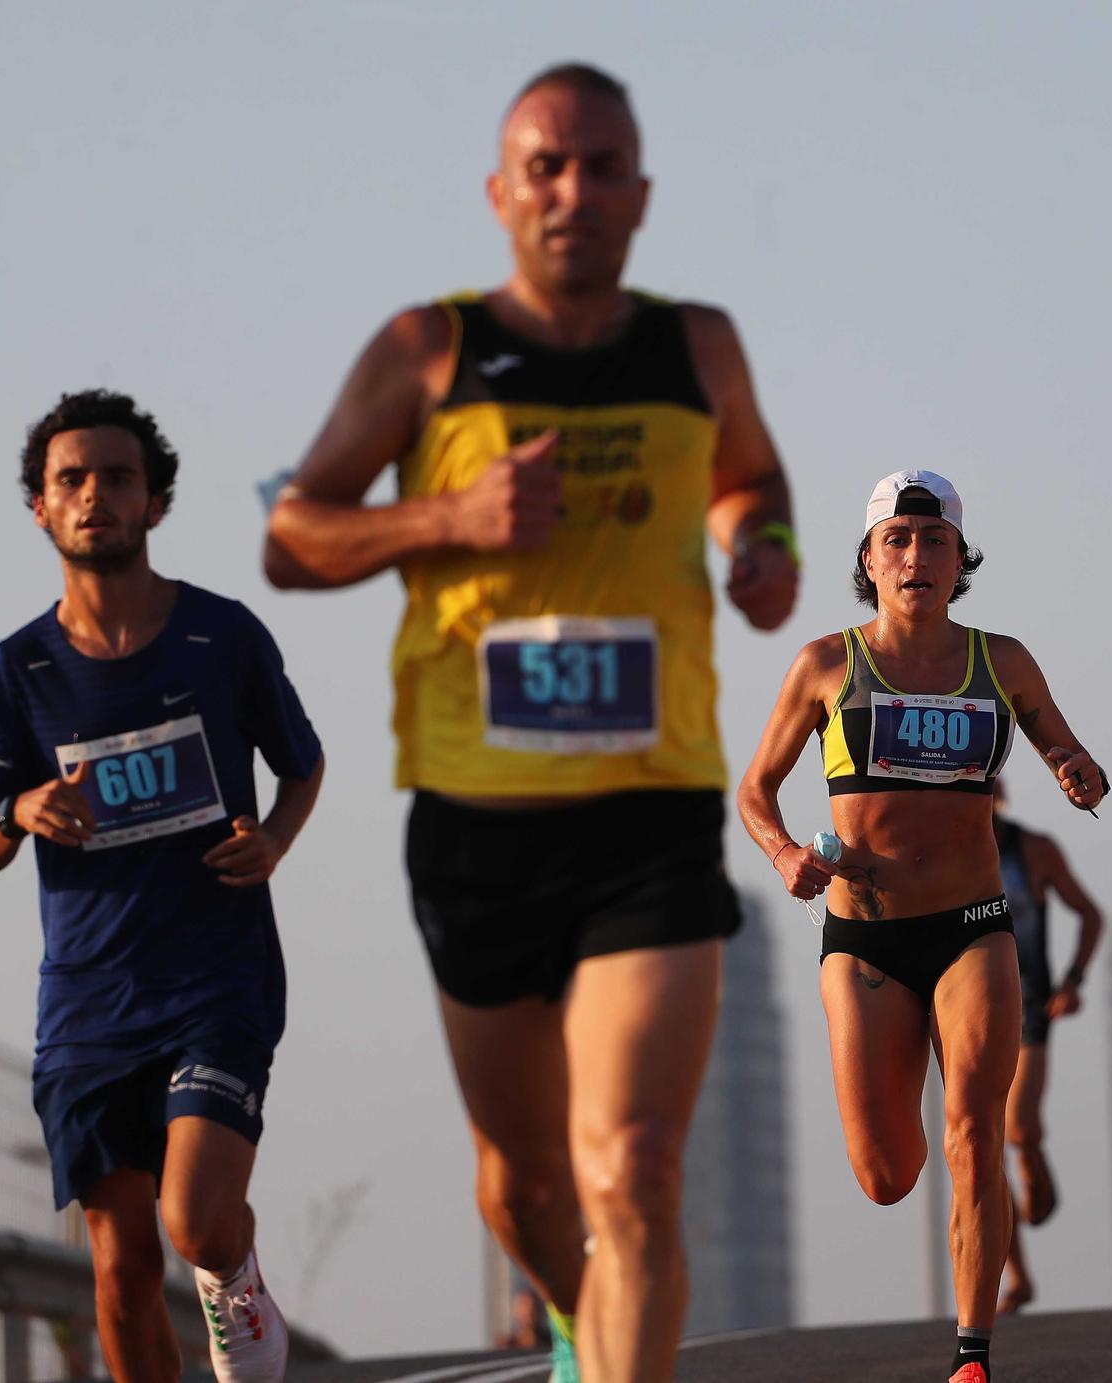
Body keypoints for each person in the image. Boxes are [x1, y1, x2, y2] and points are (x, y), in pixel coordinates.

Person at [261, 63, 797, 1383]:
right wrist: (449, 517)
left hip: (651, 815)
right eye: (547, 167)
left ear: (643, 194)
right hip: (476, 825)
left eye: (603, 165)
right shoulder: (423, 349)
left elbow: (753, 473)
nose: (575, 191)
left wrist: (763, 541)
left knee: (635, 1160)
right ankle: (575, 1311)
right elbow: (291, 534)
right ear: (501, 193)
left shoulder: (699, 344)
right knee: (524, 1187)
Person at [0, 390, 324, 1383]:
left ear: (154, 503)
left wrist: (276, 841)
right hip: (86, 1001)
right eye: (70, 480)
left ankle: (231, 1277)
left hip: (216, 977)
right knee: (118, 1272)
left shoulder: (221, 636)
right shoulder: (19, 670)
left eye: (117, 478)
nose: (93, 497)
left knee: (194, 1219)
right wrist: (17, 811)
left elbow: (302, 763)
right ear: (39, 507)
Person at [738, 470, 1107, 1383]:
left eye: (934, 542)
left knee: (975, 1127)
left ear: (958, 561)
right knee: (888, 1173)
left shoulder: (1002, 660)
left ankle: (972, 1356)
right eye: (897, 540)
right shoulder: (827, 664)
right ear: (869, 560)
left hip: (975, 926)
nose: (916, 557)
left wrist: (1073, 765)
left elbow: (1061, 738)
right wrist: (787, 854)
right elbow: (753, 790)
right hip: (864, 939)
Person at [988, 778, 1104, 1313]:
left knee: (1017, 1129)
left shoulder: (1032, 851)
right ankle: (1018, 1277)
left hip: (1030, 1005)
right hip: (970, 1015)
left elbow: (1089, 913)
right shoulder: (932, 857)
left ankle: (1032, 1151)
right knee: (980, 1152)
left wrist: (1073, 981)